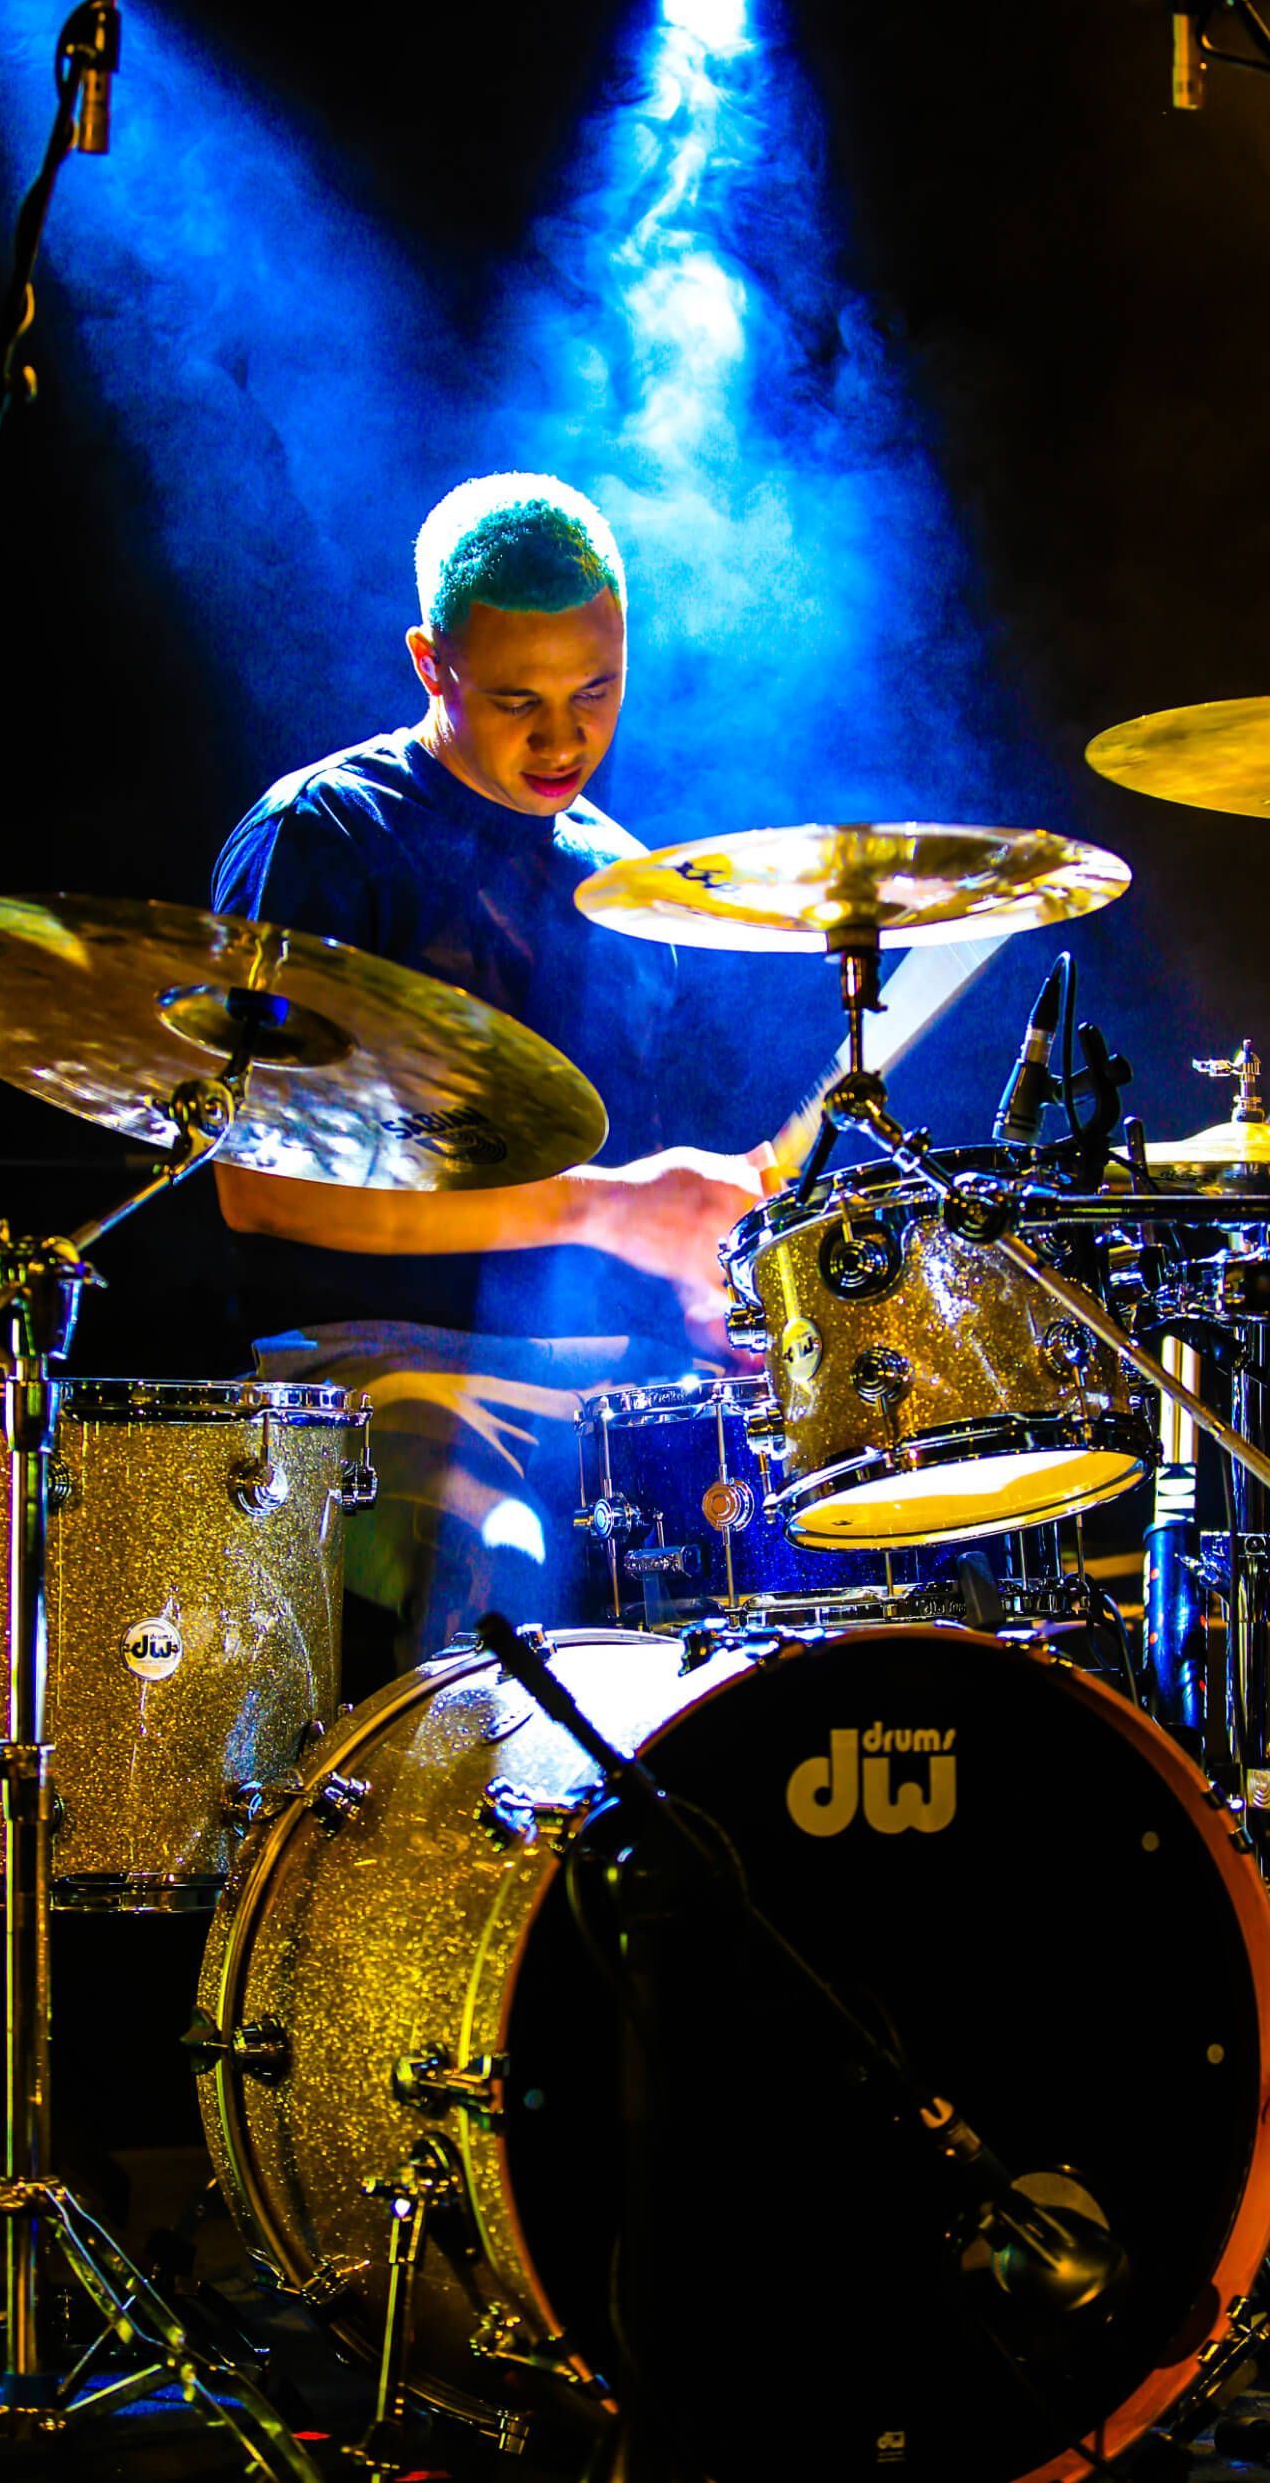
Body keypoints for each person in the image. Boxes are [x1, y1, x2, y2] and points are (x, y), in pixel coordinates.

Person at [212, 472, 772, 1679]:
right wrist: (602, 1208)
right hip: (372, 1361)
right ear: (431, 664)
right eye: (517, 700)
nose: (562, 739)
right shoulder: (327, 837)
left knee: (778, 1529)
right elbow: (258, 1190)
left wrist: (702, 1285)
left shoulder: (625, 882)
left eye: (595, 691)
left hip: (602, 1371)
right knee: (494, 1550)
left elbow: (625, 1212)